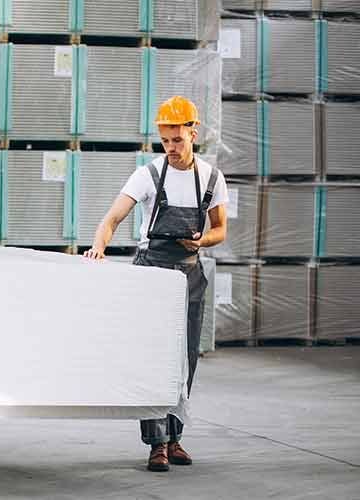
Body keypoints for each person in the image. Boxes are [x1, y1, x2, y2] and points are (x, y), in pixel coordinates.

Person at [83, 95, 228, 472]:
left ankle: (176, 438)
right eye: (165, 141)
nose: (171, 148)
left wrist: (201, 241)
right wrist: (98, 247)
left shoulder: (211, 178)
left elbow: (220, 230)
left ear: (194, 133)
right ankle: (157, 444)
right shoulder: (147, 175)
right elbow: (111, 219)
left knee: (185, 358)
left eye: (177, 140)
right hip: (151, 273)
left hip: (190, 275)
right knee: (153, 358)